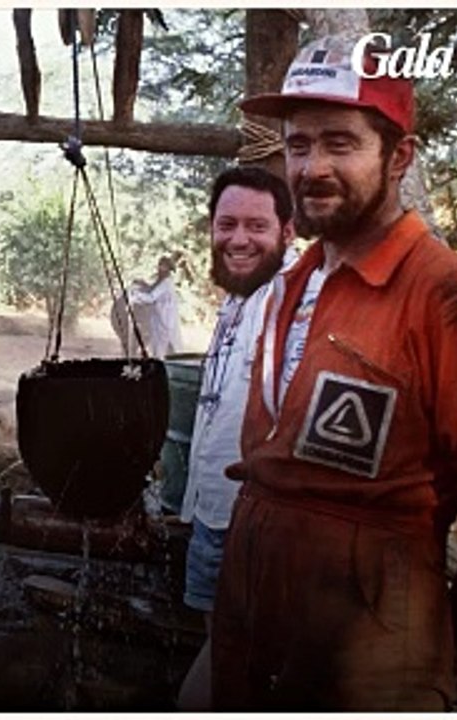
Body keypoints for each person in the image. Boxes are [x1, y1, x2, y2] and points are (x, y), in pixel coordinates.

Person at [213, 35, 457, 710]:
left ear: (399, 156)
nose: (310, 167)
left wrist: (439, 638)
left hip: (374, 634)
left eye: (340, 143)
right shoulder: (292, 282)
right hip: (253, 609)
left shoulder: (448, 293)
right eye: (298, 144)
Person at [174, 166, 297, 709]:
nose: (238, 239)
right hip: (211, 511)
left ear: (288, 231)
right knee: (222, 659)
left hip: (257, 526)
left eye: (256, 225)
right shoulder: (235, 298)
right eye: (227, 224)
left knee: (241, 675)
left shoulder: (296, 300)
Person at [115, 255, 184, 358]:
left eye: (163, 267)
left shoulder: (166, 283)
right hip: (159, 321)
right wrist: (142, 284)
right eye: (159, 265)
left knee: (162, 350)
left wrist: (134, 295)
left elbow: (151, 297)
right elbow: (152, 289)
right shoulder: (161, 281)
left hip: (165, 322)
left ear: (168, 269)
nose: (160, 268)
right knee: (157, 348)